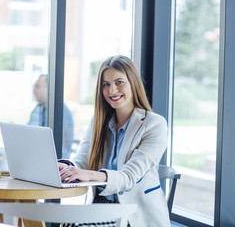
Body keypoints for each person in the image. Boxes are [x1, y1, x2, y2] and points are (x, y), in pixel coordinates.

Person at [58, 55, 170, 227]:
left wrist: (89, 175)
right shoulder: (98, 121)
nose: (112, 91)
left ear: (133, 83)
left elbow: (128, 178)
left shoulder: (154, 124)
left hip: (134, 215)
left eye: (119, 82)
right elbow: (82, 161)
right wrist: (66, 168)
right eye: (106, 84)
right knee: (67, 224)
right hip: (101, 206)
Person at [28, 74, 74, 159]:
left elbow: (61, 145)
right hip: (37, 157)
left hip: (56, 160)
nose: (34, 90)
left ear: (48, 89)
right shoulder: (37, 110)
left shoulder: (60, 111)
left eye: (37, 87)